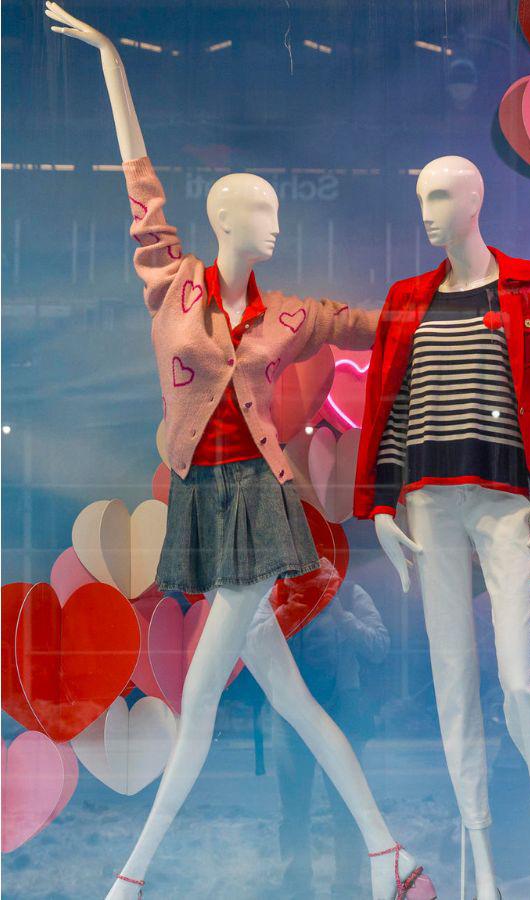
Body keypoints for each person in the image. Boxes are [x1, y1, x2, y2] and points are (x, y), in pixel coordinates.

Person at [44, 5, 434, 897]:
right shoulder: (171, 281)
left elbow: (368, 320)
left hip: (257, 501)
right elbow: (138, 182)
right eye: (264, 211)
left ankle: (130, 880)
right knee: (291, 701)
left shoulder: (289, 316)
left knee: (199, 708)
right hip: (201, 498)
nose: (277, 225)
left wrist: (454, 309)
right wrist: (110, 57)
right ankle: (391, 857)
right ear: (226, 218)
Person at [266, 584, 391, 898]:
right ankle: (295, 888)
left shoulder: (348, 593)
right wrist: (286, 611)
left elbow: (379, 646)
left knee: (348, 807)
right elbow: (254, 644)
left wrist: (338, 612)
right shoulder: (278, 591)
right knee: (292, 810)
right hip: (289, 711)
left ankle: (347, 888)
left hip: (341, 711)